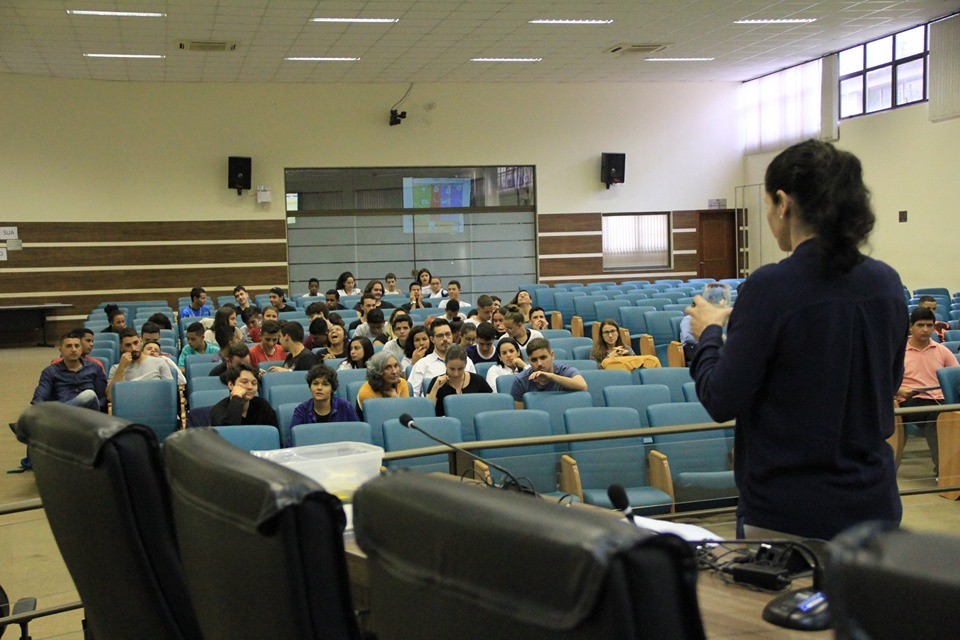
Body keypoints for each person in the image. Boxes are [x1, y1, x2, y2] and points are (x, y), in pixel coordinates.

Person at [685, 139, 906, 540]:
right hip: (875, 507)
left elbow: (721, 399)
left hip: (789, 513)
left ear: (783, 203)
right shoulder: (887, 283)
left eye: (768, 205)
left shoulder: (772, 287)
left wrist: (709, 334)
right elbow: (888, 384)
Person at [897, 307, 960, 477]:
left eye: (929, 325)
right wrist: (900, 389)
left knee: (945, 413)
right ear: (911, 326)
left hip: (940, 399)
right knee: (937, 416)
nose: (925, 330)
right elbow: (883, 382)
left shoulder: (941, 350)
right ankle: (946, 472)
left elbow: (957, 376)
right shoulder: (898, 352)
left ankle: (954, 467)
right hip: (911, 401)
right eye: (920, 325)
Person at [32, 333, 107, 411]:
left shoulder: (94, 368)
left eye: (77, 346)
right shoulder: (51, 372)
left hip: (89, 414)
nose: (74, 350)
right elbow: (39, 397)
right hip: (64, 416)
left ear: (81, 349)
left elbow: (103, 397)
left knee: (89, 395)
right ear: (61, 350)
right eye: (69, 346)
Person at [509, 337, 587, 409]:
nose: (539, 363)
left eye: (543, 358)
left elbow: (583, 386)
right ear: (528, 360)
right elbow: (521, 414)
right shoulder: (521, 380)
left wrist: (551, 377)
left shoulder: (564, 370)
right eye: (534, 360)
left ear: (552, 355)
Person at [408, 319, 476, 397]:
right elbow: (412, 395)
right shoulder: (422, 364)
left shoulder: (466, 360)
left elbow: (475, 389)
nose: (445, 339)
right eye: (440, 336)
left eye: (448, 334)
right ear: (432, 339)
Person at [107, 328, 174, 402]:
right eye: (128, 345)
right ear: (121, 347)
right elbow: (110, 397)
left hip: (155, 404)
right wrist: (121, 367)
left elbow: (170, 392)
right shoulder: (116, 369)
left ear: (141, 341)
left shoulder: (159, 362)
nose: (133, 348)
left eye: (136, 343)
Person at [427, 344, 492, 416]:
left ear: (465, 364)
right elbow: (427, 412)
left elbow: (490, 406)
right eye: (452, 369)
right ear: (445, 364)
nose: (456, 374)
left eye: (460, 369)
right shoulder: (436, 382)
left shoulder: (478, 381)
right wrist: (435, 388)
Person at [209, 363, 278, 427]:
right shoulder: (218, 410)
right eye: (244, 382)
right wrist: (236, 398)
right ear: (231, 385)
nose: (250, 387)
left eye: (254, 383)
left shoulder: (262, 405)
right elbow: (229, 432)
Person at [291, 364, 359, 426]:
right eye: (315, 383)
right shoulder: (301, 410)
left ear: (332, 388)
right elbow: (294, 437)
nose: (319, 388)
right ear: (310, 387)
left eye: (325, 384)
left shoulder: (345, 407)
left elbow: (357, 432)